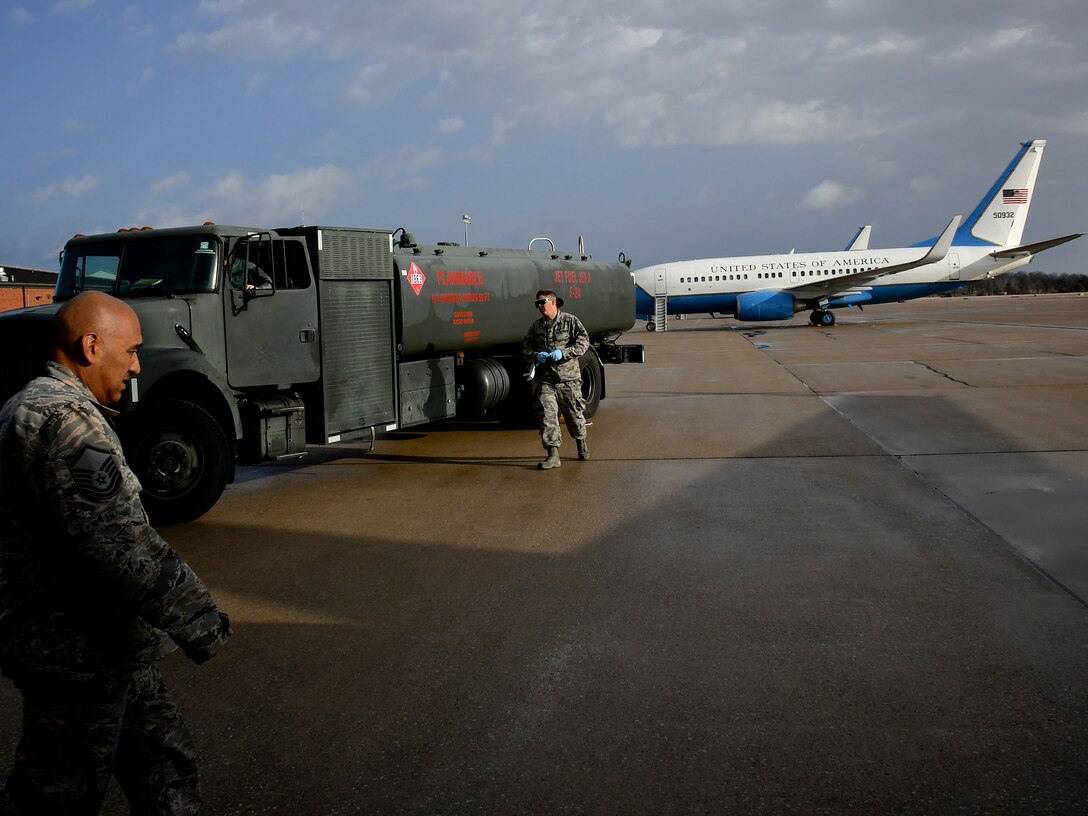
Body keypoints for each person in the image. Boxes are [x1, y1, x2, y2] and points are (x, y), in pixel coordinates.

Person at [0, 291, 232, 815]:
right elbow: (117, 543)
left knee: (165, 768)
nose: (136, 365)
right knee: (58, 792)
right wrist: (197, 615)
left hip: (109, 643)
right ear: (90, 346)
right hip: (75, 655)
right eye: (129, 351)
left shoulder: (42, 407)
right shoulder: (65, 422)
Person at [521, 289, 591, 470]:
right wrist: (537, 356)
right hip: (546, 379)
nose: (539, 307)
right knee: (547, 415)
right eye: (537, 304)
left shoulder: (570, 321)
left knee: (574, 415)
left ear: (553, 302)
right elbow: (526, 349)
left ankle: (581, 444)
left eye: (542, 302)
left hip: (568, 379)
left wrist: (565, 353)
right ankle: (553, 455)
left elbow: (583, 342)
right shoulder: (536, 327)